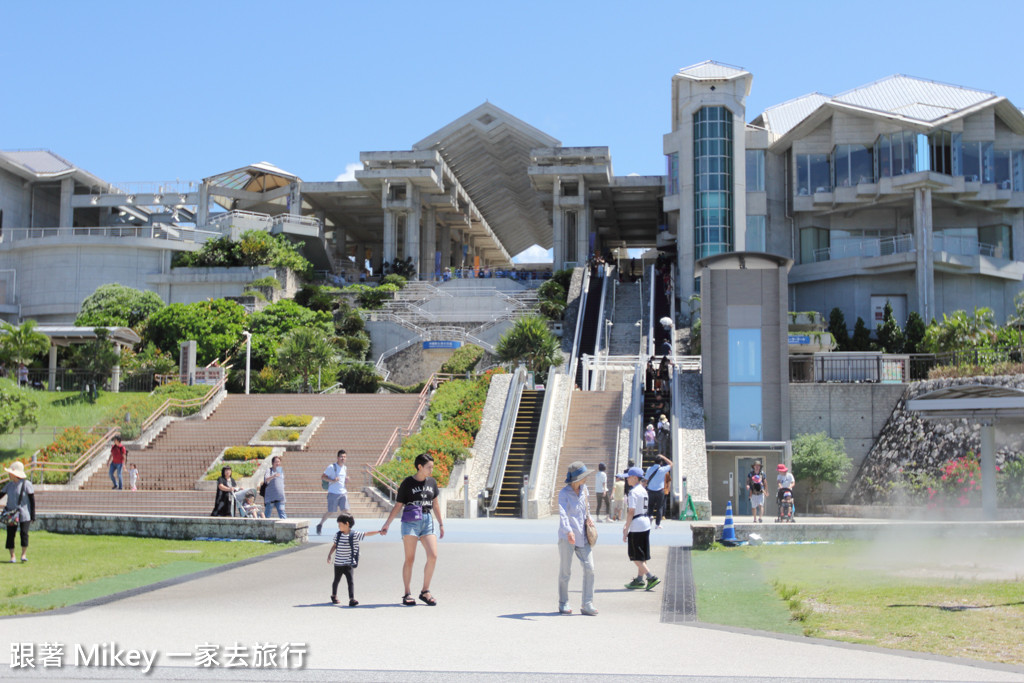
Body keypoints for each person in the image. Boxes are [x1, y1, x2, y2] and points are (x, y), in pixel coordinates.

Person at [381, 453, 444, 607]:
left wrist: (441, 524)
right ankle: (407, 593)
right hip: (410, 522)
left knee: (433, 556)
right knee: (410, 558)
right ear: (420, 467)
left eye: (432, 467)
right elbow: (398, 505)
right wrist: (387, 524)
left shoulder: (432, 483)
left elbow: (435, 504)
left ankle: (425, 591)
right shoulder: (407, 483)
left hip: (427, 521)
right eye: (429, 467)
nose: (431, 470)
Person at [556, 460, 597, 616]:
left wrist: (589, 518)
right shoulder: (564, 493)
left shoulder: (585, 490)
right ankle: (563, 602)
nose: (586, 479)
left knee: (590, 568)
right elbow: (563, 514)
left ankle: (587, 603)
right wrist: (568, 531)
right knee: (565, 571)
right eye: (583, 477)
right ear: (576, 479)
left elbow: (586, 509)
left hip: (583, 536)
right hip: (568, 537)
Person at [327, 511, 381, 607]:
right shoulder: (338, 535)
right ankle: (334, 595)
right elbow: (334, 545)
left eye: (340, 524)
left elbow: (366, 534)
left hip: (349, 563)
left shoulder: (355, 534)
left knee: (350, 581)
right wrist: (329, 555)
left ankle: (351, 599)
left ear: (347, 524)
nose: (338, 526)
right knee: (336, 580)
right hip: (338, 563)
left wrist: (378, 532)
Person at [622, 466, 659, 590]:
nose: (627, 480)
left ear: (634, 478)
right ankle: (639, 579)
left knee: (635, 555)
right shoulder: (643, 490)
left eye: (629, 478)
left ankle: (651, 576)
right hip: (645, 522)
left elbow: (631, 510)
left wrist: (626, 528)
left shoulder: (633, 492)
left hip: (637, 524)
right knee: (642, 555)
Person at [1, 461, 35, 563]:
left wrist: (33, 515)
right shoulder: (9, 485)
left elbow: (32, 501)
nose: (9, 474)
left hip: (24, 513)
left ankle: (23, 554)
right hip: (11, 514)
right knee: (10, 534)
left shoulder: (27, 484)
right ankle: (12, 556)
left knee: (24, 533)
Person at [316, 450, 348, 535]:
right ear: (338, 457)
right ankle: (320, 524)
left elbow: (342, 481)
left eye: (344, 457)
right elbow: (323, 477)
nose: (343, 458)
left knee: (345, 510)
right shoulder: (332, 467)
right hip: (333, 493)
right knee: (331, 511)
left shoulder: (344, 467)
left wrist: (346, 480)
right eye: (341, 457)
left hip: (343, 493)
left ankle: (343, 528)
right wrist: (332, 480)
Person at [643, 454, 673, 529]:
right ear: (661, 462)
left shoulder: (649, 469)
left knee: (650, 506)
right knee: (659, 507)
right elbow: (671, 464)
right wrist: (663, 457)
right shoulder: (662, 469)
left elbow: (646, 479)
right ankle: (657, 524)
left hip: (650, 490)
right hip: (660, 491)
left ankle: (650, 517)